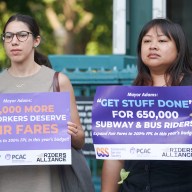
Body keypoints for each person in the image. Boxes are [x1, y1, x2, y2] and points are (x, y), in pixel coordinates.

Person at [0, 13, 94, 192]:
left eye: (22, 35)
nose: (14, 41)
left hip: (47, 184)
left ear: (36, 40)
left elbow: (80, 140)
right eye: (8, 36)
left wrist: (71, 133)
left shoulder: (58, 81)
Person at [101, 18, 192, 192]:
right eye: (147, 41)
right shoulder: (128, 97)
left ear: (179, 50)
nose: (153, 46)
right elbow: (114, 156)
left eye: (162, 41)